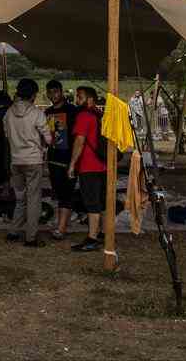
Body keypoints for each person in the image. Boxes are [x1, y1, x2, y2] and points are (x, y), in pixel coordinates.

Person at [5, 79, 50, 247]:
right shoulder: (37, 113)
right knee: (33, 199)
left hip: (15, 160)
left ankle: (13, 231)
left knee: (20, 198)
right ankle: (31, 237)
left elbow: (6, 134)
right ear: (33, 95)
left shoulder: (9, 112)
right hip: (33, 160)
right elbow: (48, 138)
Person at [67, 86, 105, 252]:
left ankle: (92, 238)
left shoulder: (83, 116)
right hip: (103, 165)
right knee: (101, 202)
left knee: (91, 203)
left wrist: (72, 164)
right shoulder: (100, 115)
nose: (77, 100)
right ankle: (102, 232)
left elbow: (79, 141)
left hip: (89, 166)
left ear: (90, 99)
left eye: (80, 97)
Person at [44, 79, 77, 241]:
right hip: (53, 158)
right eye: (50, 92)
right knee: (59, 193)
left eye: (56, 91)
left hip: (69, 159)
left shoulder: (72, 111)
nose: (53, 95)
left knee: (66, 193)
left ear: (62, 92)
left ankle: (61, 228)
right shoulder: (47, 112)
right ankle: (61, 224)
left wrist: (75, 160)